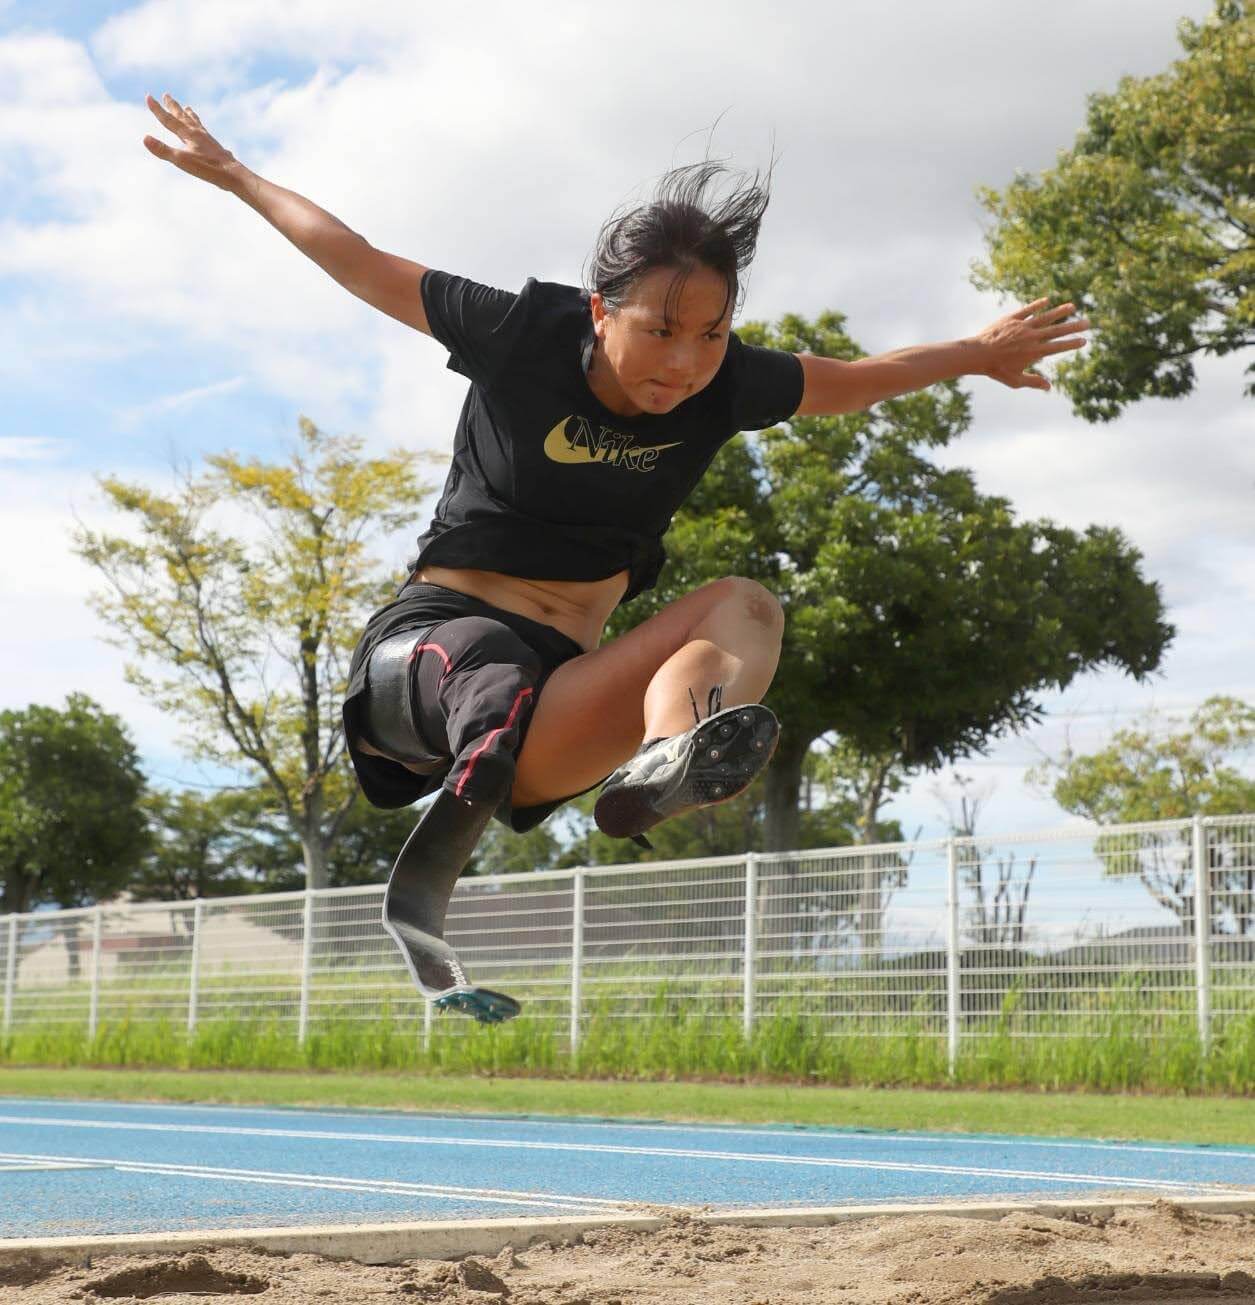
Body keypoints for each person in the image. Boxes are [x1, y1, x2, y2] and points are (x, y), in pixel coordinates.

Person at [143, 93, 1089, 1021]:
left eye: (711, 336)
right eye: (661, 332)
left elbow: (854, 382)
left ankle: (667, 752)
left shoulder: (725, 385)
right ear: (601, 310)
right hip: (425, 660)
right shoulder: (521, 335)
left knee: (747, 605)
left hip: (559, 705)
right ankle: (471, 781)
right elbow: (357, 260)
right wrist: (234, 177)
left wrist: (973, 353)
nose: (684, 364)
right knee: (492, 666)